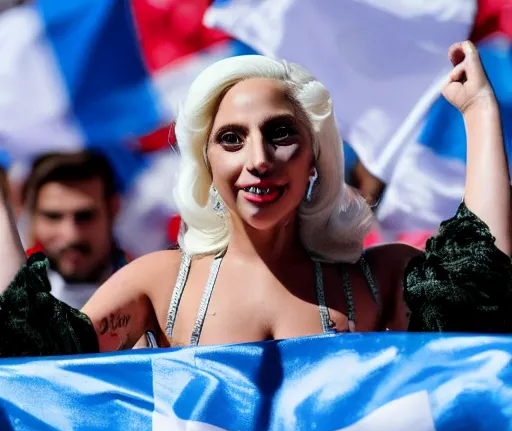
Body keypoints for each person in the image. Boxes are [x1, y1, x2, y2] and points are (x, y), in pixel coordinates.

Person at [0, 40, 511, 358]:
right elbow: (35, 356)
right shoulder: (158, 282)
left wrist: (480, 112)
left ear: (315, 157)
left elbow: (482, 296)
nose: (258, 159)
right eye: (231, 139)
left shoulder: (380, 277)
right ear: (206, 162)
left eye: (281, 133)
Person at [20, 151, 131, 309]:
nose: (71, 235)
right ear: (32, 217)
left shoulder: (156, 294)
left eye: (85, 216)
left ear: (114, 210)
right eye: (53, 216)